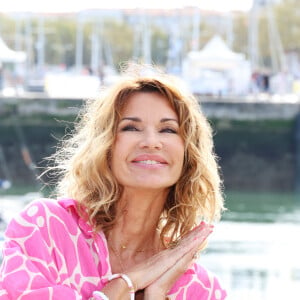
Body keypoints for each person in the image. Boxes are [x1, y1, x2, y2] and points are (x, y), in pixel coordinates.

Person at [0, 64, 227, 300]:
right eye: (131, 127)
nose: (151, 142)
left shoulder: (201, 289)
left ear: (188, 154)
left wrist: (156, 295)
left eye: (168, 130)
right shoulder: (46, 228)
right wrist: (126, 284)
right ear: (106, 146)